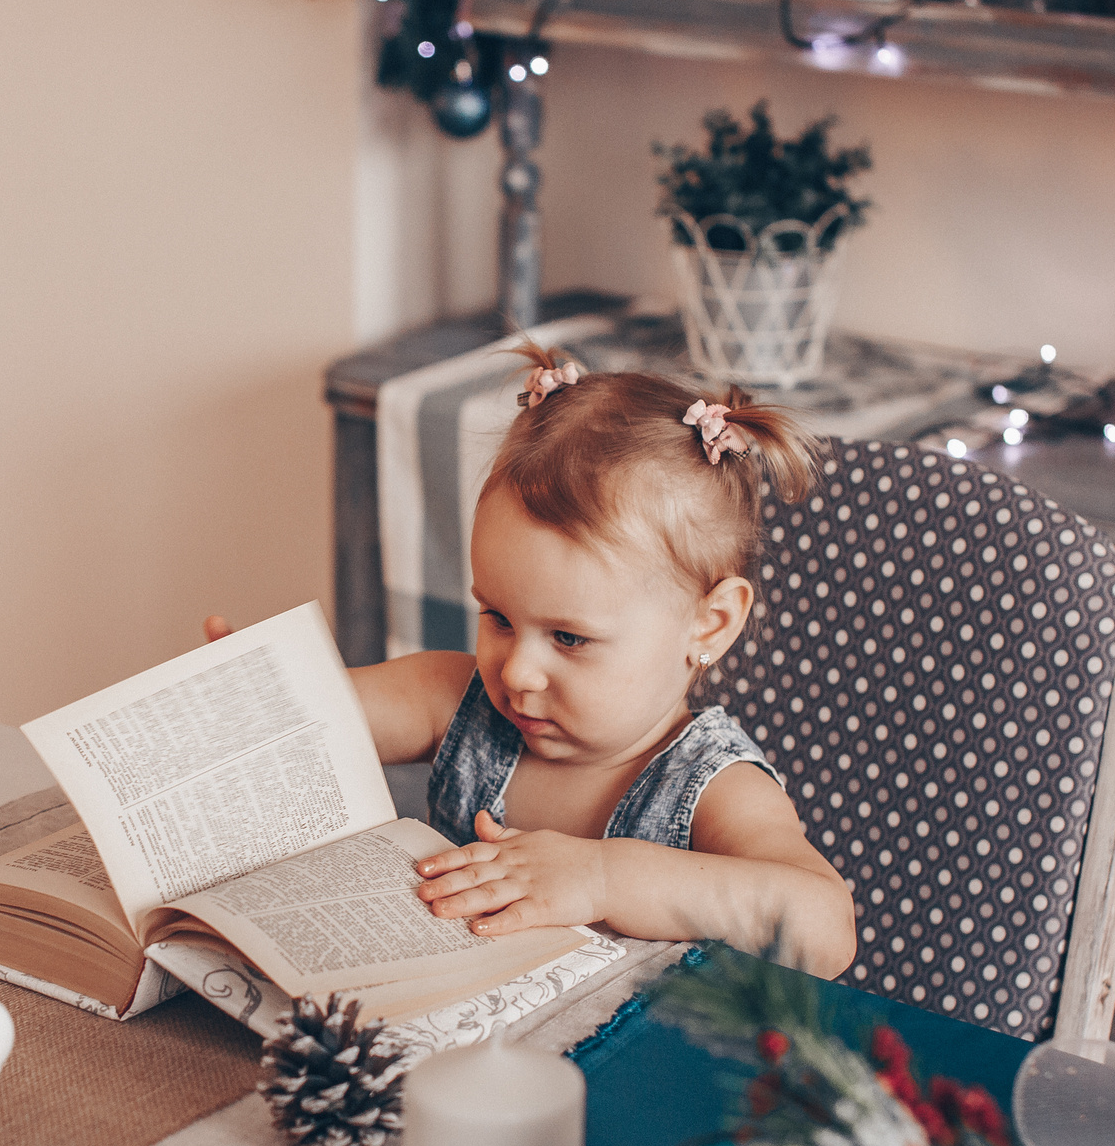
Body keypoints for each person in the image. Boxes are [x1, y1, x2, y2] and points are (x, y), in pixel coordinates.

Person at [208, 345, 855, 977]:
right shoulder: (452, 697)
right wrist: (252, 692)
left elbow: (826, 927)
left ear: (709, 624)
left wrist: (602, 876)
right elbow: (311, 716)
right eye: (498, 616)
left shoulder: (712, 784)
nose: (516, 672)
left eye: (569, 638)